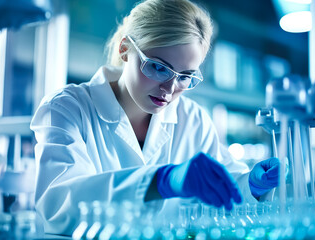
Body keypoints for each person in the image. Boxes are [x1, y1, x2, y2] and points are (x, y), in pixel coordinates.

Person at [30, 0, 279, 235]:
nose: (169, 89)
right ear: (125, 49)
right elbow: (57, 207)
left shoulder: (192, 119)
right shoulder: (67, 108)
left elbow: (224, 190)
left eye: (185, 76)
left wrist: (251, 186)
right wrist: (159, 181)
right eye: (159, 67)